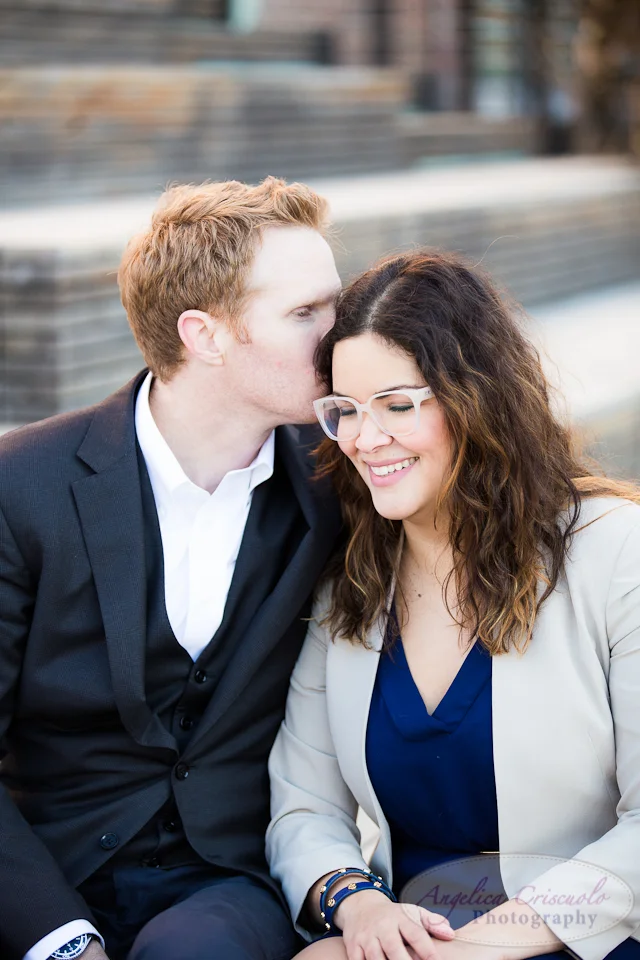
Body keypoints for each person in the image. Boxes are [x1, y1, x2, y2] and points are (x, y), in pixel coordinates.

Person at [0, 177, 343, 960]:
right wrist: (60, 942)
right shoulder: (20, 487)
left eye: (337, 304)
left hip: (224, 882)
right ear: (205, 334)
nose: (343, 332)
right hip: (37, 876)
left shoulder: (341, 486)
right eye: (305, 314)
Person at [267, 250, 640, 960]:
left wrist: (479, 947)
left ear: (477, 398)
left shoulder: (617, 553)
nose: (364, 439)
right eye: (343, 410)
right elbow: (304, 803)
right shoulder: (350, 580)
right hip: (418, 941)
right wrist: (358, 902)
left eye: (397, 405)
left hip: (579, 937)